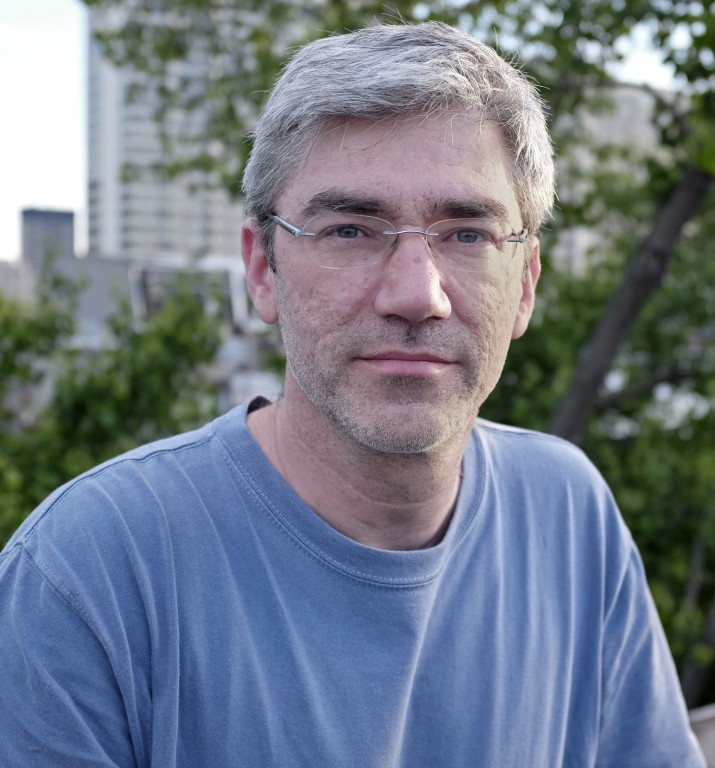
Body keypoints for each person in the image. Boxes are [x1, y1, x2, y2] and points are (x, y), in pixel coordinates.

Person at [0, 21, 705, 768]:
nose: (417, 295)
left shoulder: (568, 513)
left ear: (525, 283)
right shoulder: (85, 576)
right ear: (262, 270)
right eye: (349, 230)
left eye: (467, 234)